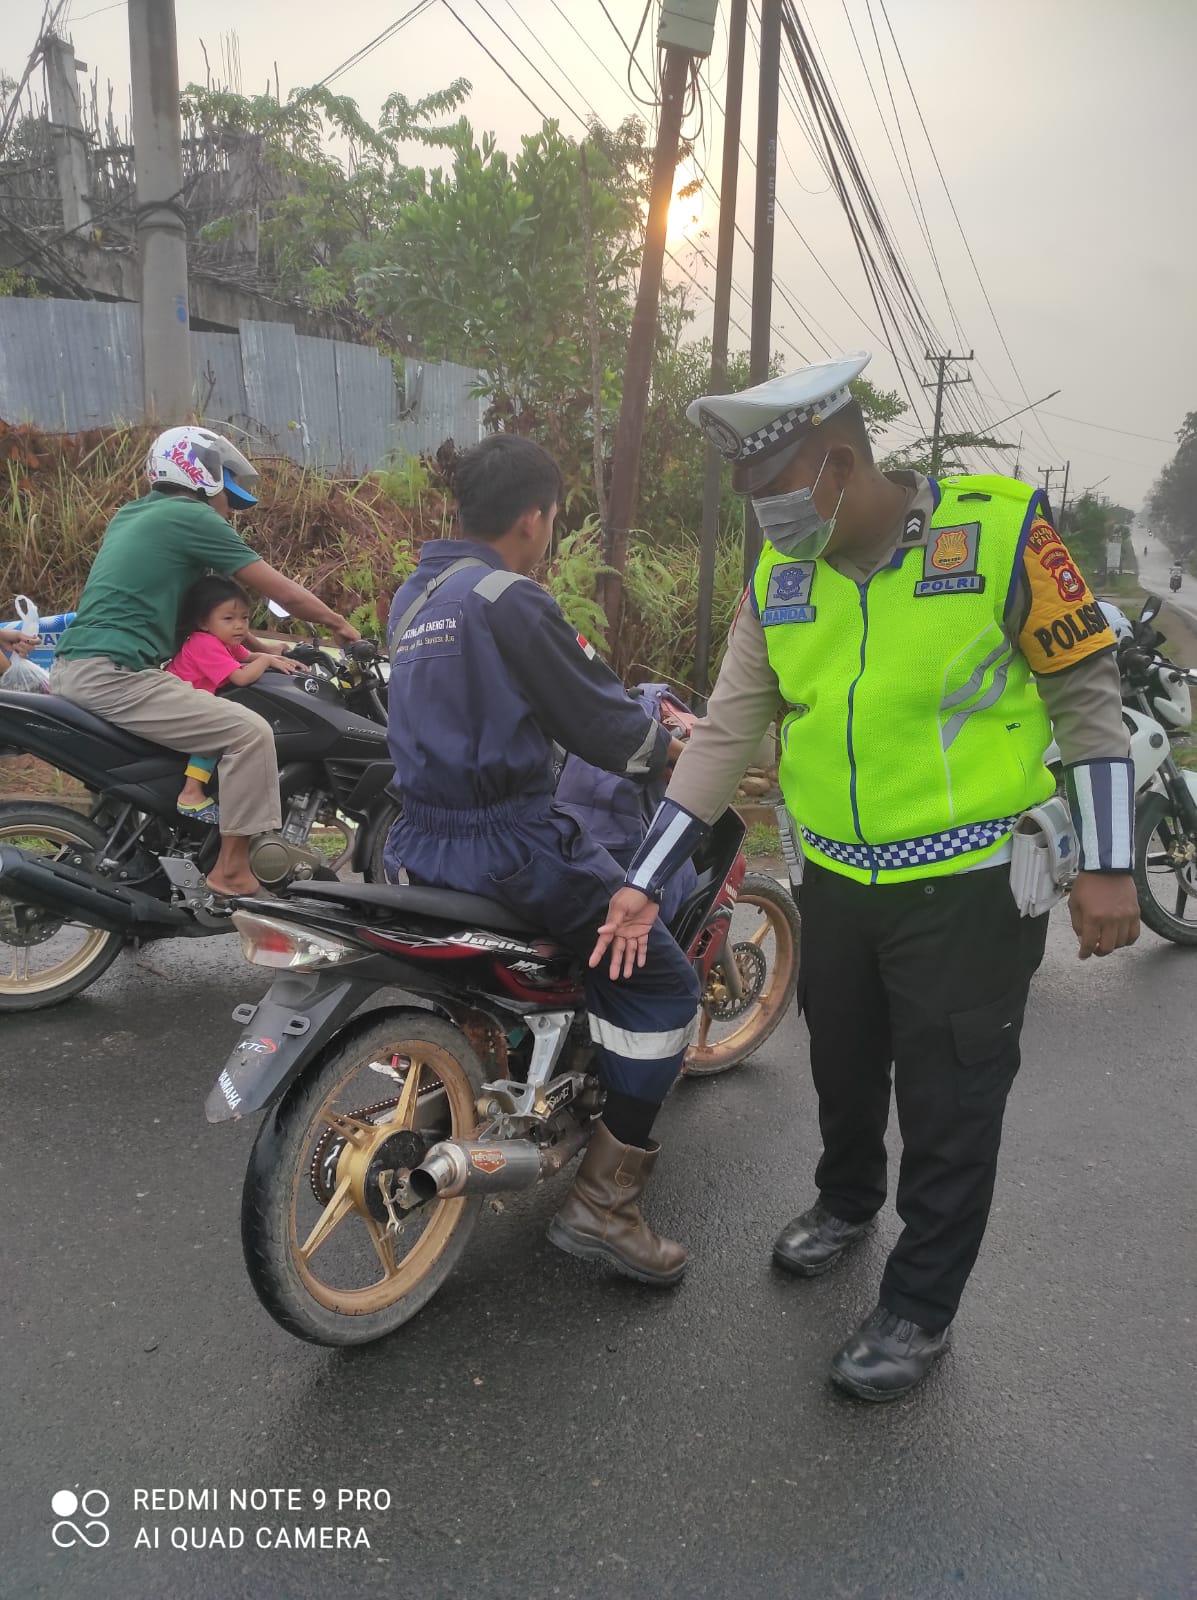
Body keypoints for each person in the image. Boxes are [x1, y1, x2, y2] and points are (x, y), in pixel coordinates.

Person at [594, 354, 1140, 1400]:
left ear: (836, 466)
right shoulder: (782, 582)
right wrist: (643, 877)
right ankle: (847, 1199)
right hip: (835, 882)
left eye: (774, 496)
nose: (766, 522)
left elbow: (1084, 687)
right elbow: (724, 734)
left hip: (971, 888)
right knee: (843, 1066)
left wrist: (1111, 865)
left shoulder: (996, 532)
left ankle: (921, 1305)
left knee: (950, 1101)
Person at [383, 434, 701, 1287]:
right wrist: (670, 751)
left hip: (414, 841)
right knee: (664, 982)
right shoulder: (509, 597)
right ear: (535, 518)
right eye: (554, 519)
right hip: (511, 848)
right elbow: (598, 723)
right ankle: (605, 1207)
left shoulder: (413, 599)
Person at [51, 426, 360, 896]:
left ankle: (150, 865)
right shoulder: (191, 517)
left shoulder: (134, 516)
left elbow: (196, 618)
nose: (228, 513)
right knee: (249, 733)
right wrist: (340, 625)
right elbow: (276, 587)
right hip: (115, 675)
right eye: (226, 498)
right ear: (202, 477)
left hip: (79, 668)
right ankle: (232, 871)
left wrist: (256, 646)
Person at [167, 574, 306, 823]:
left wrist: (278, 659)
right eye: (228, 619)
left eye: (244, 618)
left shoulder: (224, 641)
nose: (240, 626)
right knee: (218, 732)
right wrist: (266, 660)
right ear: (203, 622)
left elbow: (246, 656)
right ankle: (191, 793)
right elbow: (241, 677)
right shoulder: (204, 643)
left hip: (194, 701)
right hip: (179, 705)